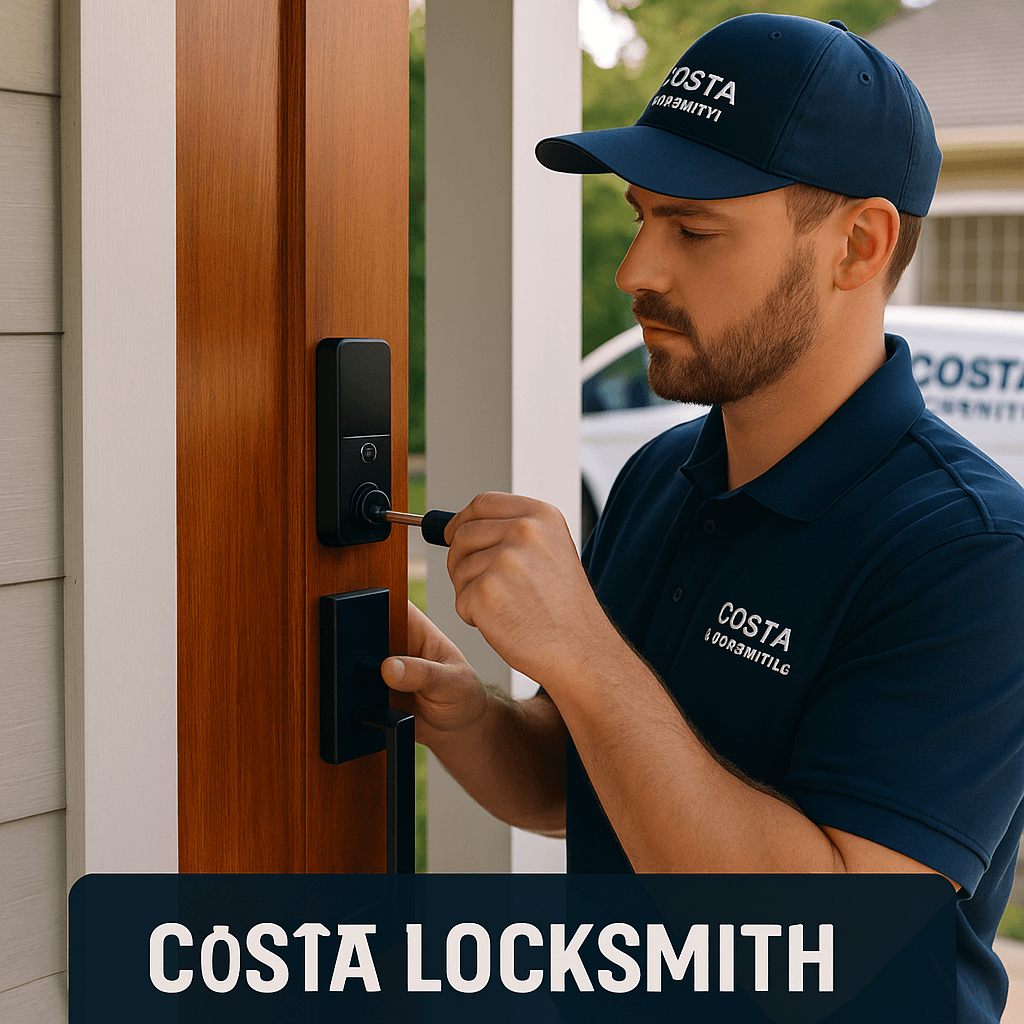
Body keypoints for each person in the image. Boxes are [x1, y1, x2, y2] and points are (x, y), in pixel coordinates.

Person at [382, 13, 1024, 1021]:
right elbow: (578, 782)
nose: (636, 269)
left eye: (692, 228)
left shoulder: (972, 551)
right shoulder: (659, 475)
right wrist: (468, 714)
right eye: (641, 217)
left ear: (858, 244)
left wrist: (585, 653)